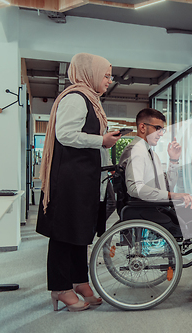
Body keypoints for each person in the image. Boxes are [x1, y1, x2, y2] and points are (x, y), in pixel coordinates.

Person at [36, 53, 122, 312]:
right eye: (106, 75)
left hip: (82, 178)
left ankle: (79, 280)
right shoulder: (76, 98)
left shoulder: (91, 99)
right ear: (90, 73)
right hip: (69, 180)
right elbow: (65, 135)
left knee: (78, 232)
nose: (109, 80)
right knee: (64, 234)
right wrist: (101, 141)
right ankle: (60, 288)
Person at [118, 108, 192, 239]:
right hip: (149, 209)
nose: (161, 134)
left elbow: (167, 186)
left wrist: (173, 160)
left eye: (162, 129)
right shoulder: (136, 151)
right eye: (157, 128)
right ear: (142, 127)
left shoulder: (151, 153)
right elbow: (135, 188)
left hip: (159, 207)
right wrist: (174, 195)